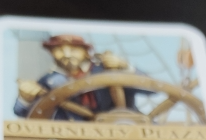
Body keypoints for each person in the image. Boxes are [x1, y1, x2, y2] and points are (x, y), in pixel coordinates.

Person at [14, 34, 151, 121]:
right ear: (51, 54)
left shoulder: (109, 70)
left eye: (73, 49)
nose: (67, 54)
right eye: (59, 50)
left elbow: (151, 90)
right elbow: (23, 113)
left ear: (86, 52)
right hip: (70, 139)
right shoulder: (47, 81)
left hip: (121, 132)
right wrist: (25, 99)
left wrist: (126, 67)